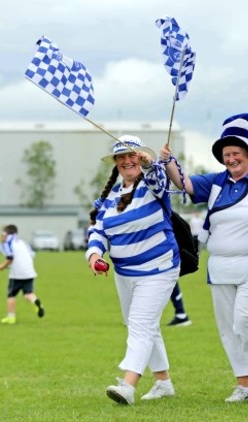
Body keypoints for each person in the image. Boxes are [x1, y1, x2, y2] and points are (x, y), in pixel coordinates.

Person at [160, 113, 248, 404]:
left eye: (236, 153)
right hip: (219, 268)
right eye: (226, 154)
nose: (231, 159)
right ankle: (243, 384)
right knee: (229, 329)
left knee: (245, 319)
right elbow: (185, 184)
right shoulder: (216, 182)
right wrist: (168, 161)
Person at [86, 135, 180, 406]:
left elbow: (159, 181)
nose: (127, 161)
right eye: (121, 157)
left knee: (140, 326)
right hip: (124, 273)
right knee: (143, 326)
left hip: (158, 269)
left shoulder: (153, 185)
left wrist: (151, 165)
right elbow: (98, 231)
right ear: (116, 164)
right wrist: (94, 254)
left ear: (140, 158)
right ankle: (163, 382)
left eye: (132, 156)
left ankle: (128, 385)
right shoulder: (110, 197)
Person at [0, 224, 45, 324]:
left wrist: (2, 266)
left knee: (11, 295)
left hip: (17, 274)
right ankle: (36, 302)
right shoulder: (23, 242)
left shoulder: (7, 243)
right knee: (28, 293)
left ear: (6, 233)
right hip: (29, 271)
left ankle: (11, 318)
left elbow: (10, 258)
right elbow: (32, 255)